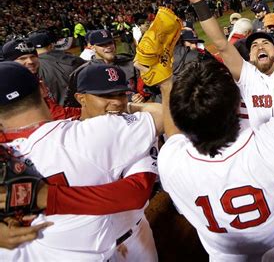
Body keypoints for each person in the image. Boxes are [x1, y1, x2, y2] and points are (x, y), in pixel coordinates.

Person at [159, 0, 274, 260]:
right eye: (254, 43)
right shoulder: (247, 76)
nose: (260, 45)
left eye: (266, 42)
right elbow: (222, 45)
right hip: (268, 153)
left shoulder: (172, 161)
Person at [0, 62, 161, 260]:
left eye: (121, 94)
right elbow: (160, 115)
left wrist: (50, 198)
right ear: (80, 98)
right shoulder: (110, 133)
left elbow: (137, 194)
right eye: (106, 95)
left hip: (132, 238)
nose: (117, 101)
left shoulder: (126, 132)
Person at [2, 39, 81, 120]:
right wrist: (84, 113)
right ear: (10, 62)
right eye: (22, 58)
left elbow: (55, 111)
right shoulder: (8, 86)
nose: (30, 61)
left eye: (33, 56)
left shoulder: (33, 79)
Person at [28, 31, 85, 106]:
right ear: (51, 45)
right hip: (82, 106)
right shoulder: (73, 58)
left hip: (57, 113)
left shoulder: (31, 67)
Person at [88, 29, 144, 103]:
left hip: (135, 111)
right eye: (102, 44)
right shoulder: (88, 72)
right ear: (92, 47)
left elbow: (144, 89)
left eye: (110, 43)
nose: (108, 47)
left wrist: (141, 96)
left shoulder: (129, 62)